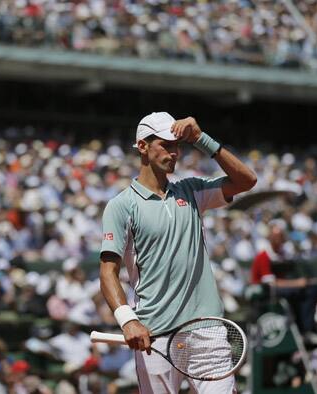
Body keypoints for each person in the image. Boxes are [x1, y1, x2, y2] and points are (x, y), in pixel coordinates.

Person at [99, 112, 256, 393]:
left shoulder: (192, 190)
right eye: (165, 145)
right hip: (155, 333)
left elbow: (246, 181)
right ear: (143, 146)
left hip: (208, 330)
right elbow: (107, 272)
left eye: (177, 146)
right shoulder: (121, 205)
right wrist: (128, 320)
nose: (174, 153)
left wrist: (201, 139)